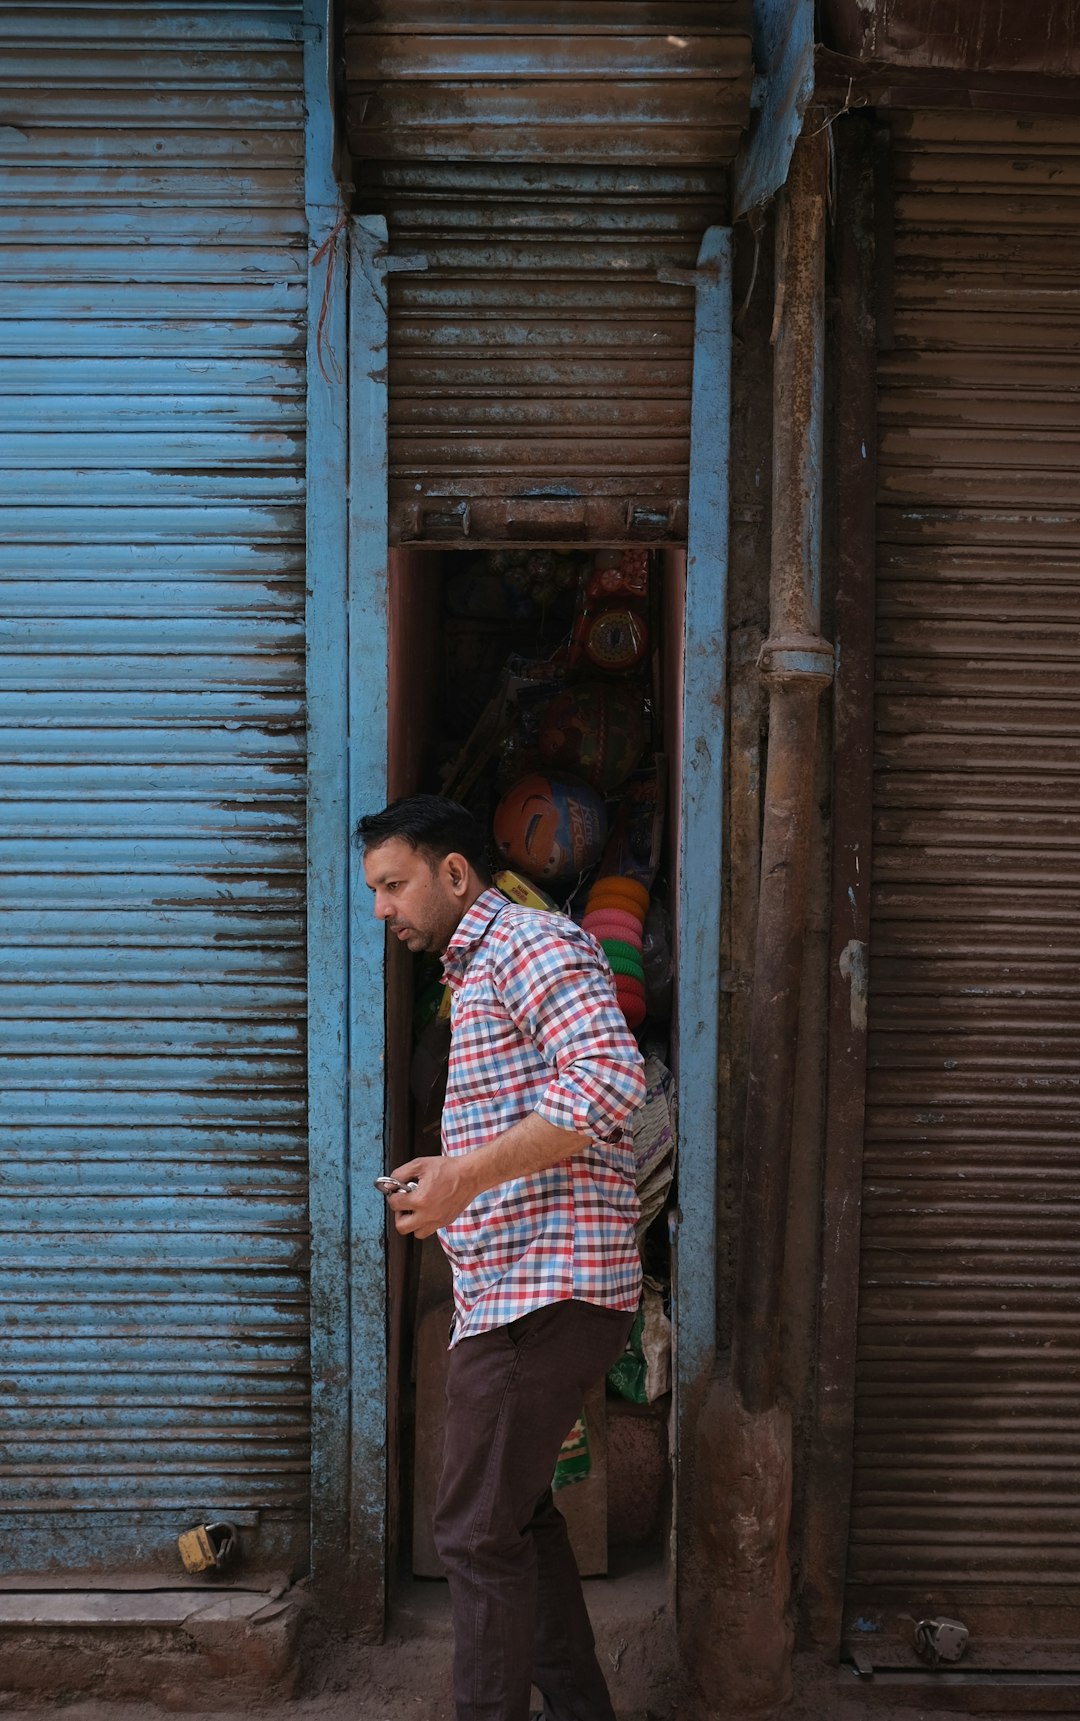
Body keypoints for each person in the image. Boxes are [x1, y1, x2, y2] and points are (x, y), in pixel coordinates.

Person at [359, 793, 647, 1721]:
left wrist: (463, 1180)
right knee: (514, 1520)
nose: (382, 910)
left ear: (453, 872)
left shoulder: (528, 945)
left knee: (475, 1535)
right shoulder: (478, 967)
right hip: (520, 1289)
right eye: (374, 891)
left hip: (543, 1290)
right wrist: (453, 1184)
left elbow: (609, 1075)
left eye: (394, 884)